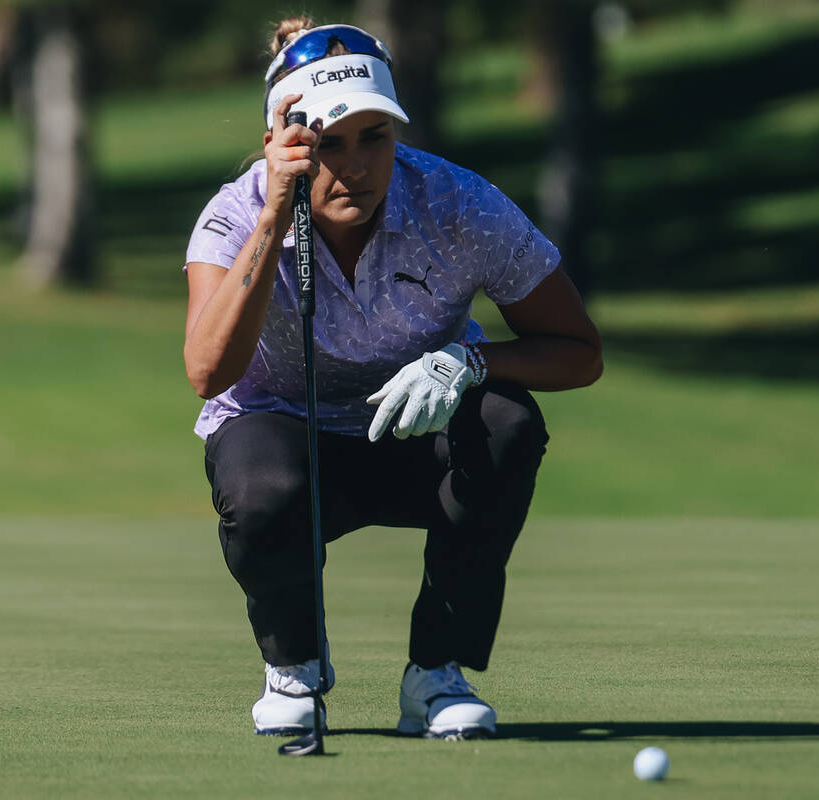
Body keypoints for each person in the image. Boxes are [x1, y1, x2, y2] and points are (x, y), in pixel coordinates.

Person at [183, 17, 602, 740]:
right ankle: (295, 668)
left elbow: (577, 350)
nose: (357, 165)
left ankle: (436, 676)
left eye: (374, 137)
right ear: (282, 144)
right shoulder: (235, 215)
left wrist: (472, 361)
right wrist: (276, 214)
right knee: (257, 482)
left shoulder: (458, 204)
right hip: (291, 450)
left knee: (508, 423)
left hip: (421, 440)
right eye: (329, 144)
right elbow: (207, 370)